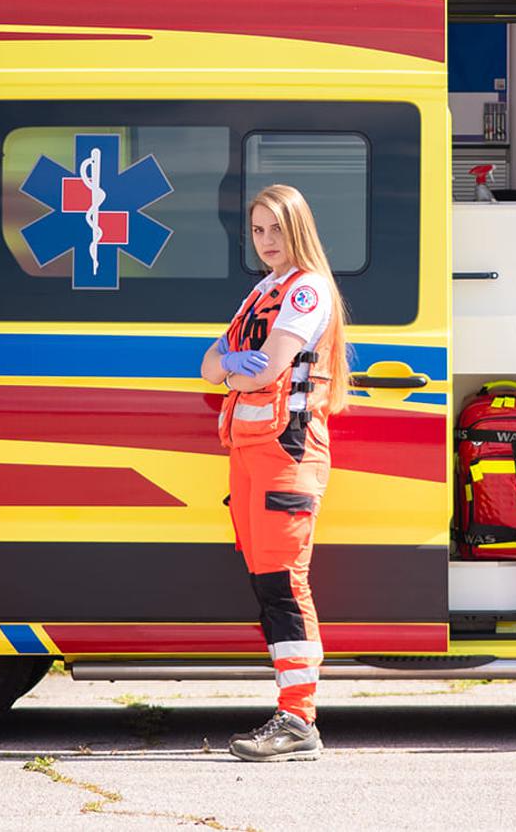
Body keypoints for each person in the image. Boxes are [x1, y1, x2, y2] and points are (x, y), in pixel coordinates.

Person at [199, 184, 350, 762]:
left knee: (285, 584)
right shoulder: (264, 290)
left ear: (298, 229)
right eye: (258, 230)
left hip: (286, 452)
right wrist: (231, 368)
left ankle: (299, 720)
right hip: (252, 453)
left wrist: (233, 370)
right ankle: (292, 716)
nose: (265, 241)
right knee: (269, 585)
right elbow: (208, 366)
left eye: (276, 230)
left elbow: (265, 370)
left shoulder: (306, 289)